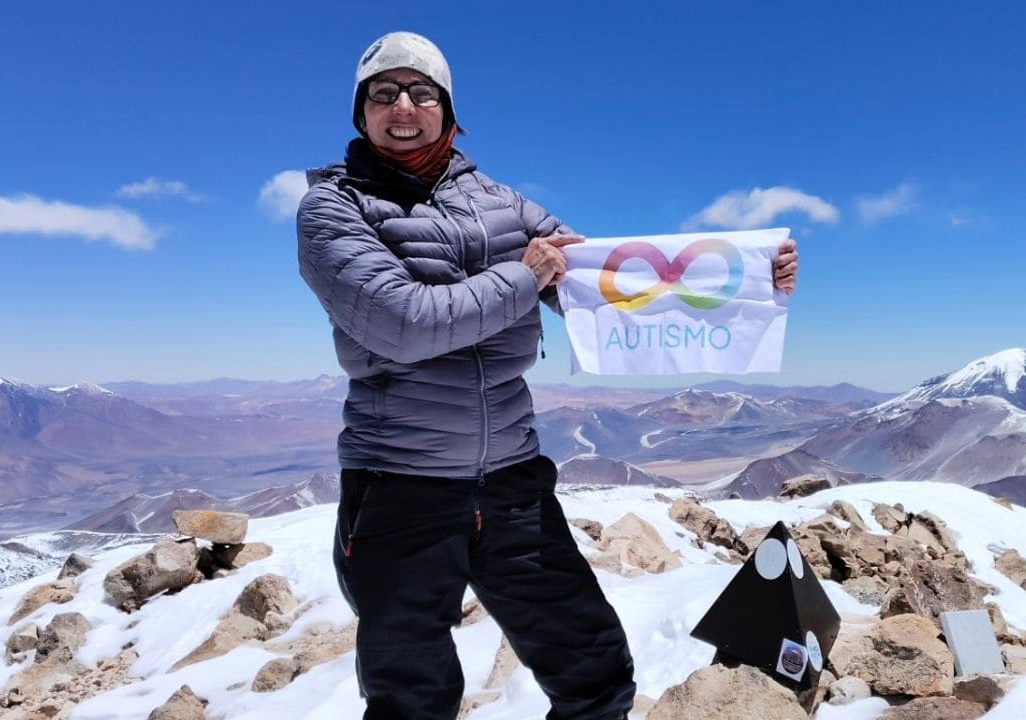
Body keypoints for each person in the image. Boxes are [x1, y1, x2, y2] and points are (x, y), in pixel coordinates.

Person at [296, 31, 798, 720]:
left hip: (512, 483)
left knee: (597, 674)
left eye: (421, 92)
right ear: (362, 113)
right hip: (398, 487)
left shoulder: (502, 203)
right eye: (384, 93)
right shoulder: (334, 207)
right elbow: (401, 325)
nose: (403, 106)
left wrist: (747, 280)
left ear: (448, 109)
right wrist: (524, 278)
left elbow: (603, 278)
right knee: (412, 700)